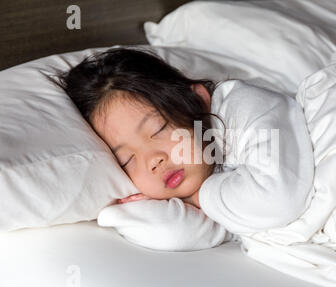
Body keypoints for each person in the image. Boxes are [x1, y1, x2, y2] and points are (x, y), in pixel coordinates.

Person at [56, 47, 315, 236]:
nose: (152, 160)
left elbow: (276, 200)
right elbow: (178, 234)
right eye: (127, 160)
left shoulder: (245, 106)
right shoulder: (207, 184)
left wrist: (197, 198)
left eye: (159, 129)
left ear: (199, 100)